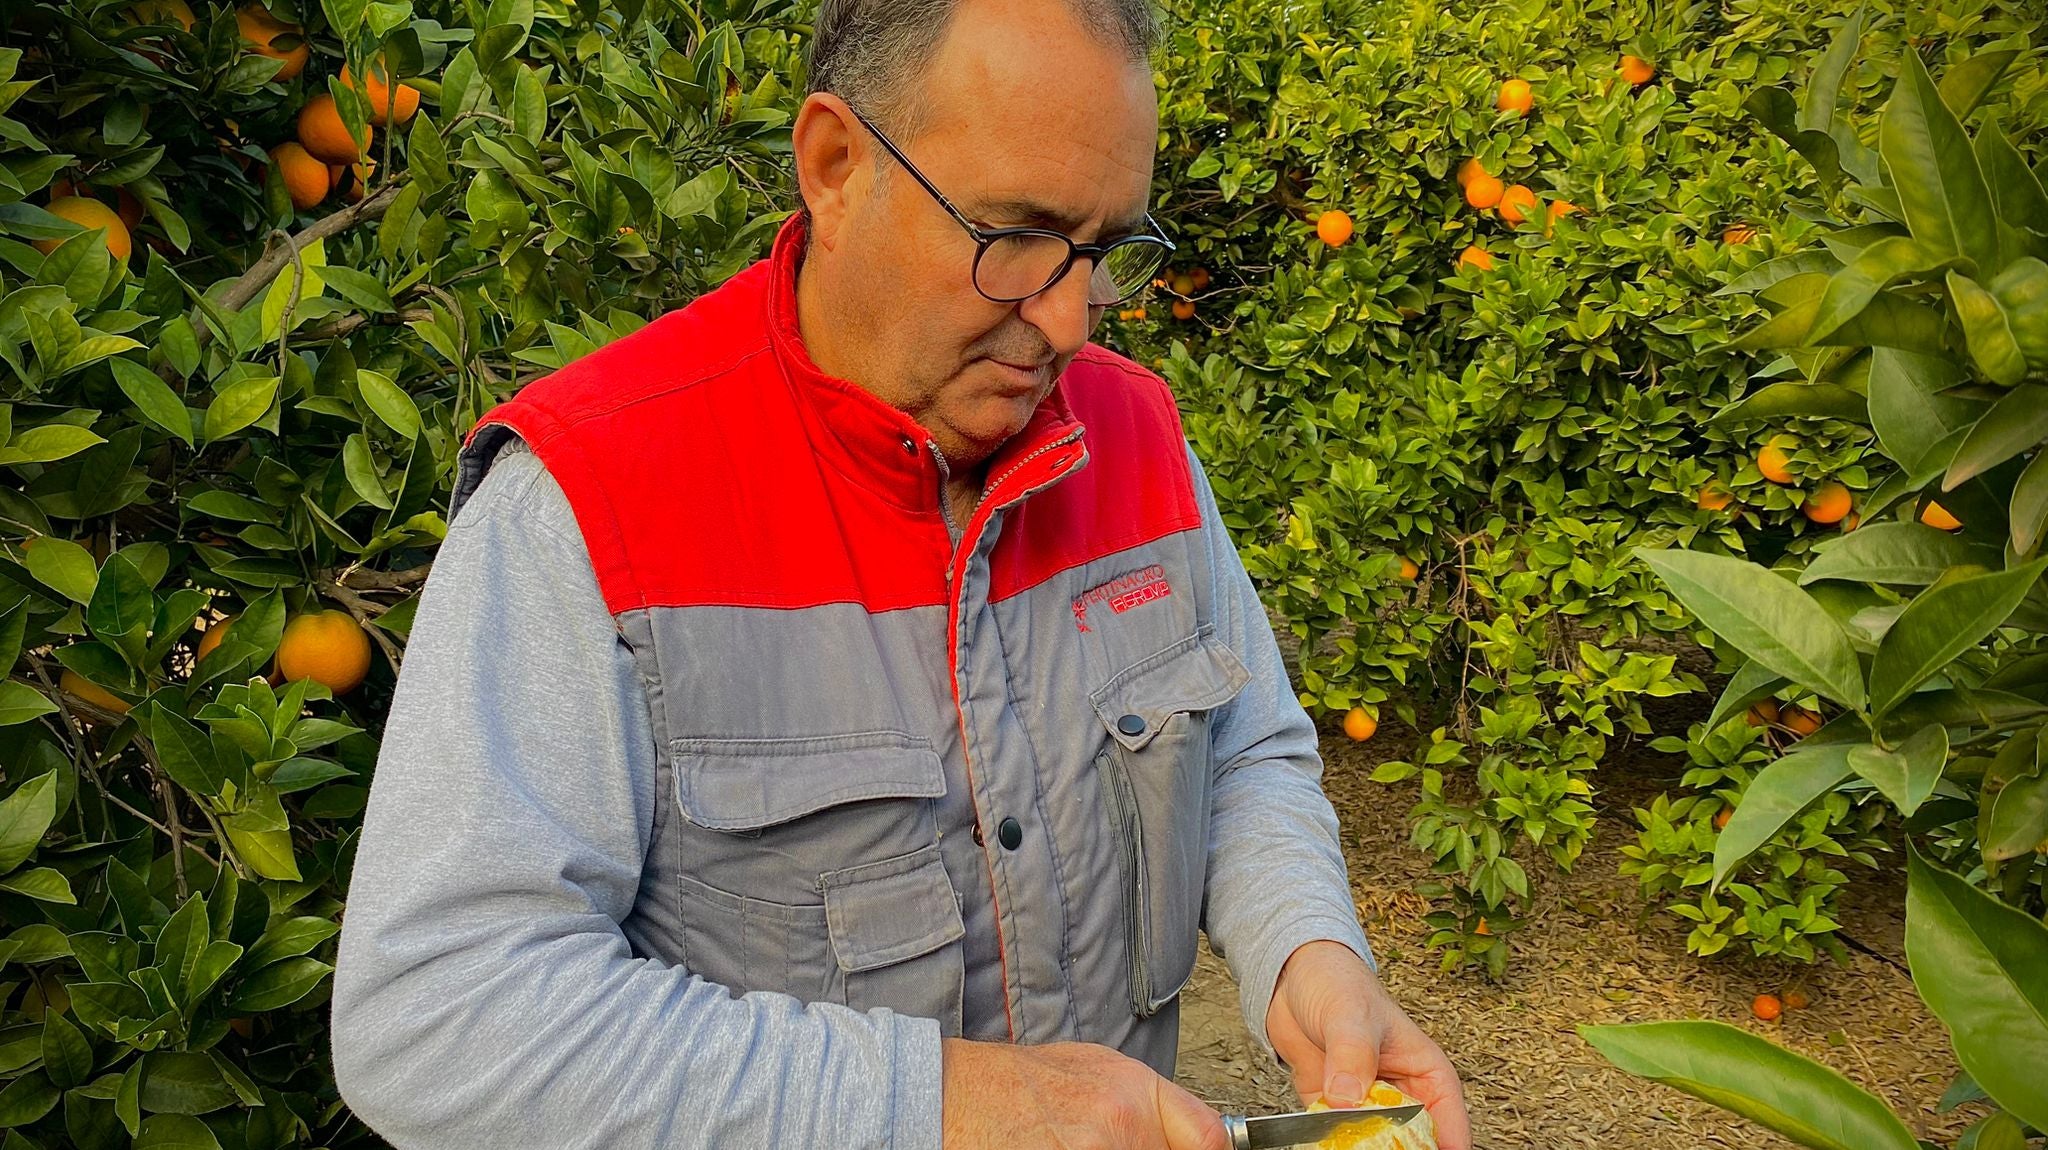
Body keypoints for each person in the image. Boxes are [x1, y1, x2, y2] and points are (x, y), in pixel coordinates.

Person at [329, 0, 1471, 1146]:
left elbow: (1239, 750)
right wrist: (940, 1102)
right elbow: (440, 1012)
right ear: (834, 166)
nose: (1070, 319)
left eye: (1107, 247)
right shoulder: (588, 501)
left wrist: (1306, 955)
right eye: (1013, 236)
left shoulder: (1137, 434)